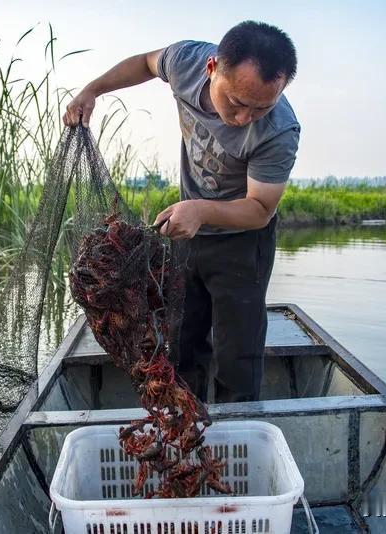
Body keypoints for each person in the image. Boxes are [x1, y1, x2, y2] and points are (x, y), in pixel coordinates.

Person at [64, 20, 300, 403]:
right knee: (182, 339)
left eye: (261, 108)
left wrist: (201, 210)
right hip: (187, 234)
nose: (244, 119)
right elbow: (143, 63)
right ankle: (185, 423)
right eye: (238, 103)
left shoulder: (278, 131)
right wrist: (93, 90)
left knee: (236, 352)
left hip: (242, 243)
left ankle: (237, 437)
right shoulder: (186, 62)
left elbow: (260, 210)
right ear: (211, 69)